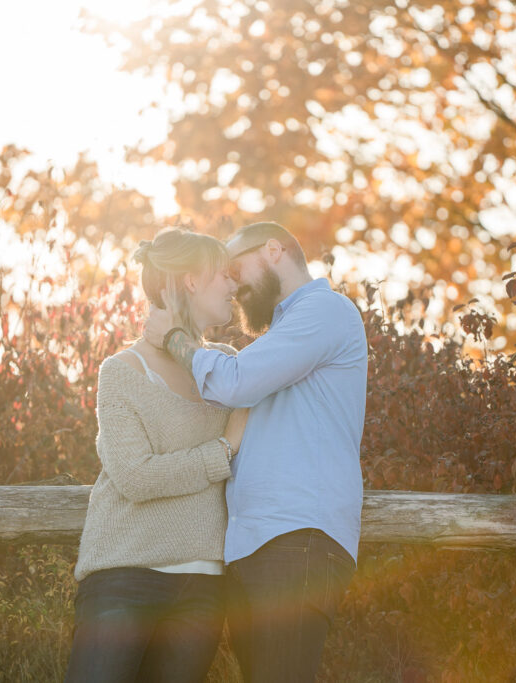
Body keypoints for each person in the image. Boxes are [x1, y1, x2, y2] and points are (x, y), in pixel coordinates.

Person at [145, 221, 368, 682]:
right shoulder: (282, 334)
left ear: (273, 250)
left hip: (298, 538)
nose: (231, 281)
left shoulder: (325, 310)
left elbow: (235, 381)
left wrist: (174, 338)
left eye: (234, 266)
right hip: (260, 546)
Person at [65, 228, 250, 683]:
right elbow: (135, 476)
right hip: (124, 576)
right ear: (191, 280)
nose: (233, 285)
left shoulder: (227, 367)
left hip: (203, 587)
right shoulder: (122, 371)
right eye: (223, 275)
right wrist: (222, 451)